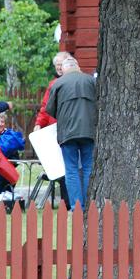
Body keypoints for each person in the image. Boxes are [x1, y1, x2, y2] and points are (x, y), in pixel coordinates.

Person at [45, 57, 98, 210]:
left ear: (64, 69)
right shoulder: (91, 81)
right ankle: (89, 205)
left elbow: (50, 109)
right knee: (88, 168)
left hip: (67, 133)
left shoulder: (58, 83)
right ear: (77, 67)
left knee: (71, 170)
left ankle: (77, 207)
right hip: (89, 131)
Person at [32, 51, 73, 205]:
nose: (59, 68)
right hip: (54, 129)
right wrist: (39, 123)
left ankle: (71, 200)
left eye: (61, 65)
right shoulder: (53, 84)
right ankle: (65, 201)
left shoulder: (75, 80)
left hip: (69, 128)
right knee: (60, 166)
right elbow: (45, 106)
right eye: (57, 66)